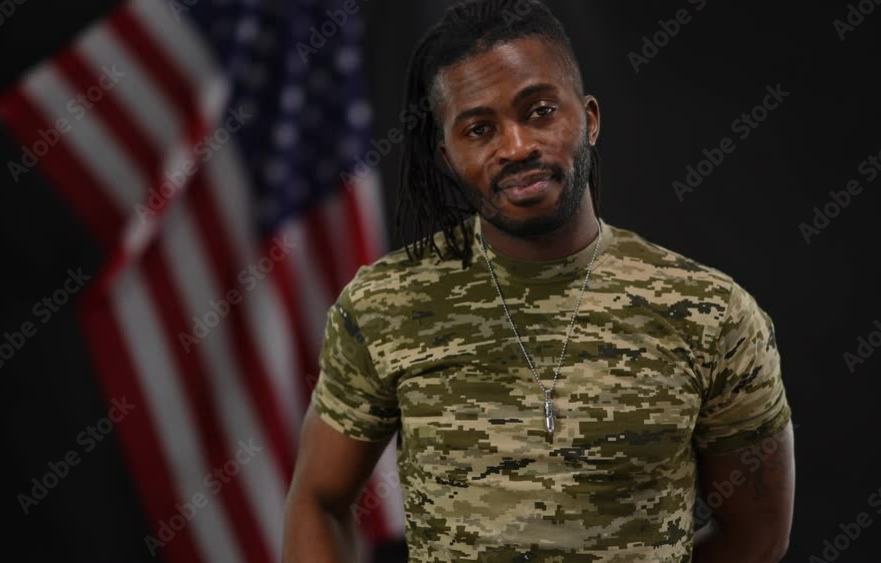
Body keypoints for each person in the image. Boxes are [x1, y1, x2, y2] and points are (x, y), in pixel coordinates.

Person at [283, 1, 795, 561]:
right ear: (448, 156)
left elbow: (757, 534)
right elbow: (319, 500)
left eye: (541, 111)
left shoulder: (710, 312)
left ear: (590, 119)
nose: (517, 146)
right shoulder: (387, 305)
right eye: (480, 129)